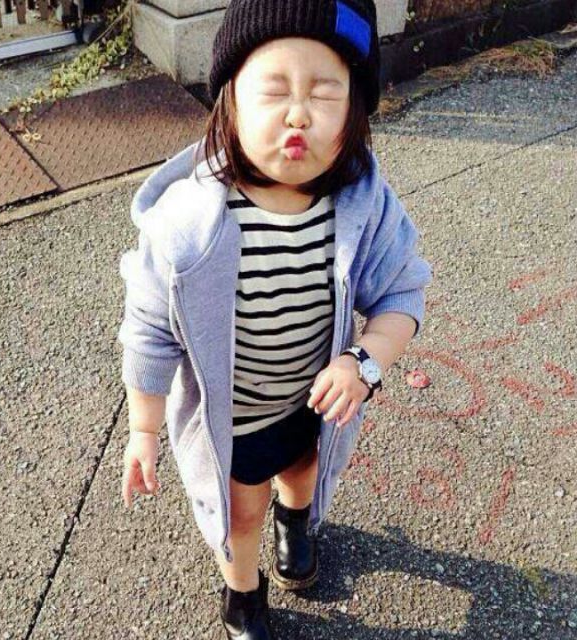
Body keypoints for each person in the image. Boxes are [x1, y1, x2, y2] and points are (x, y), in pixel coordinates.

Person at [118, 1, 433, 637]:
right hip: (235, 421)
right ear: (229, 101)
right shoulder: (190, 222)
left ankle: (296, 526)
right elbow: (149, 328)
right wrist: (144, 428)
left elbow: (403, 295)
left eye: (325, 93)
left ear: (356, 111)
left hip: (315, 404)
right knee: (241, 514)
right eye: (274, 90)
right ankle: (243, 593)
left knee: (303, 474)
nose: (298, 114)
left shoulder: (362, 205)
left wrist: (363, 361)